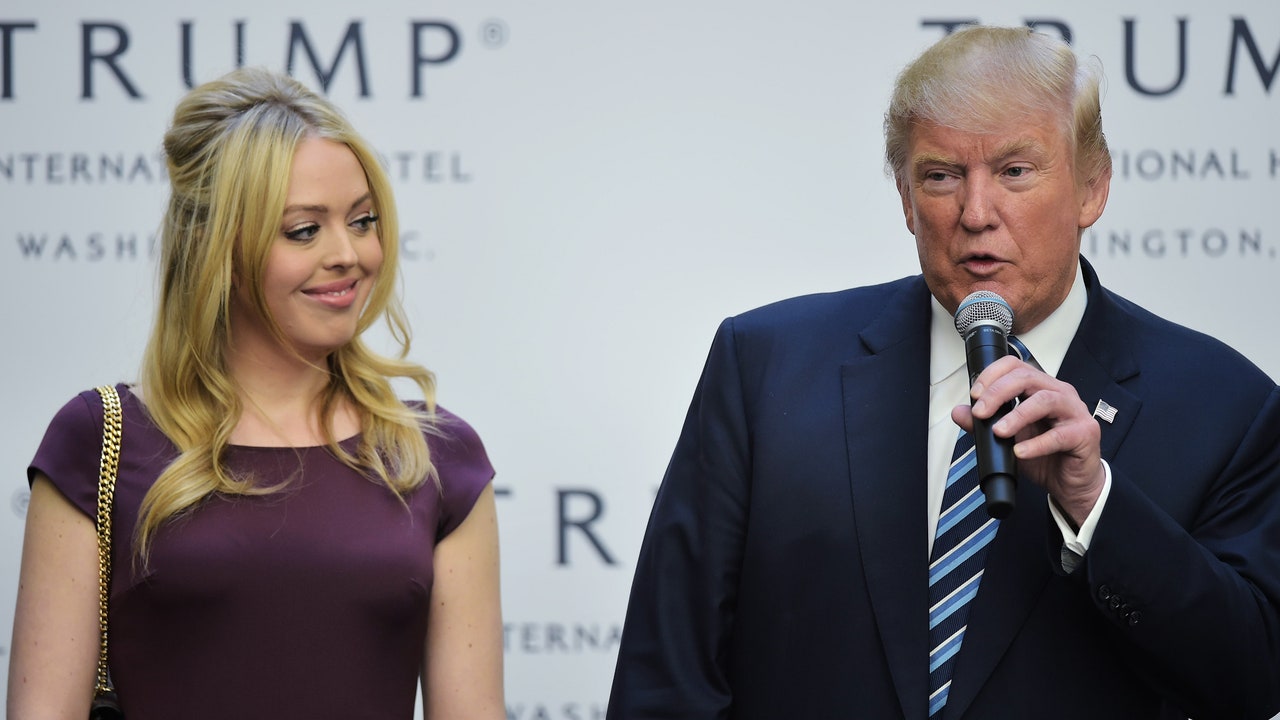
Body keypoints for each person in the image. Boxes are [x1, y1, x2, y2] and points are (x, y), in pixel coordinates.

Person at [607, 25, 1280, 720]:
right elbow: (666, 680)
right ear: (905, 198)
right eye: (941, 176)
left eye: (1015, 171)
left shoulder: (1224, 409)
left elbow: (1250, 680)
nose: (976, 214)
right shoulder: (766, 366)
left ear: (1092, 187)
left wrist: (1095, 505)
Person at [8, 67, 504, 719]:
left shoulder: (438, 459)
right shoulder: (99, 440)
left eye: (363, 221)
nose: (349, 253)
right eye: (303, 230)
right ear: (217, 247)